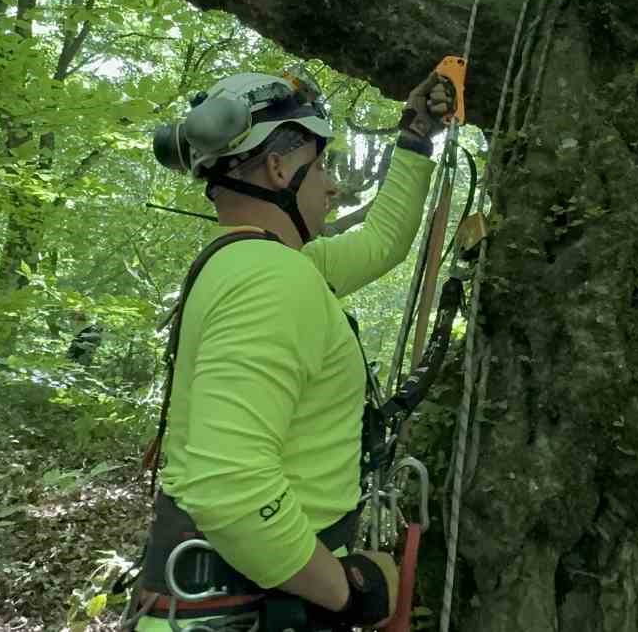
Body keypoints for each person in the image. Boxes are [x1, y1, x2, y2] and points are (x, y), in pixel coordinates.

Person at [126, 66, 454, 631]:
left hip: (220, 599)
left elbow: (381, 245)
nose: (333, 186)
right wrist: (350, 590)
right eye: (320, 165)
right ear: (279, 168)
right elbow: (231, 486)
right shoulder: (271, 279)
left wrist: (417, 139)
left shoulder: (251, 262)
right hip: (252, 607)